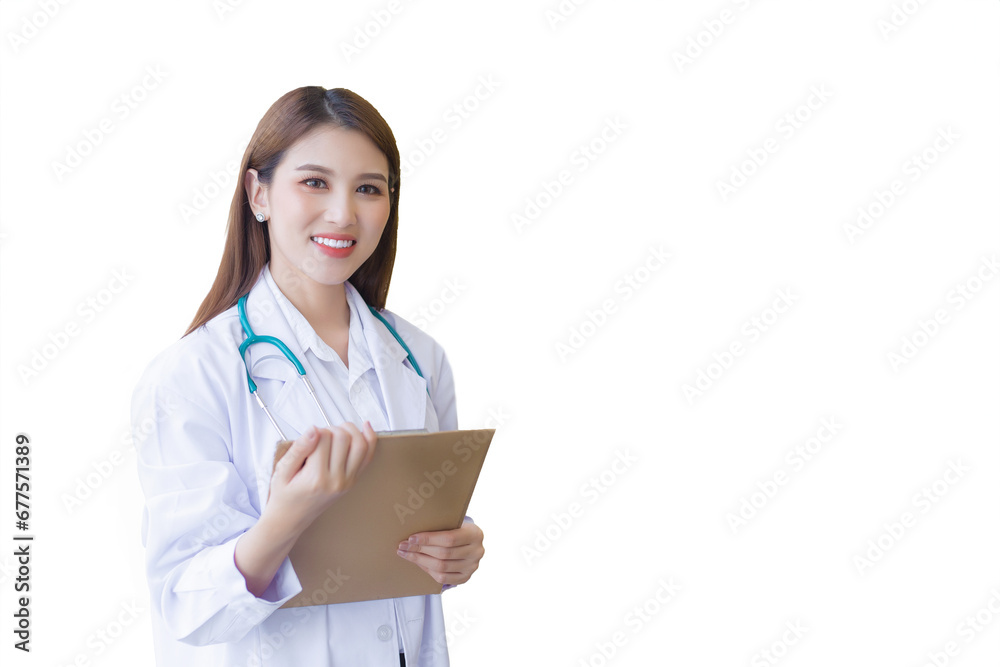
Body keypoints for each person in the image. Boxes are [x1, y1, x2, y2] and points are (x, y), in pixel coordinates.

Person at [131, 86, 484, 666]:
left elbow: (419, 527)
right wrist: (284, 521)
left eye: (368, 188)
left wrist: (456, 548)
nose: (344, 213)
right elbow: (185, 606)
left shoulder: (420, 358)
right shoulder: (192, 375)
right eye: (315, 182)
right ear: (258, 193)